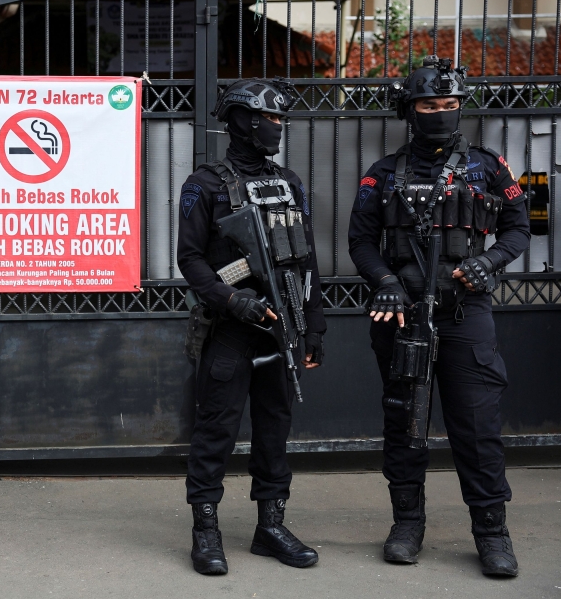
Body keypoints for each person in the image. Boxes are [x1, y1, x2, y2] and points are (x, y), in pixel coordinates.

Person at [347, 56, 530, 577]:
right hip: (402, 315)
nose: (442, 113)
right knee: (405, 422)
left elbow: (517, 229)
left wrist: (488, 260)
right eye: (430, 105)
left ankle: (492, 533)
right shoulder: (382, 174)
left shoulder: (490, 167)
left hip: (465, 310)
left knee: (477, 425)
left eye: (450, 105)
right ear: (410, 110)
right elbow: (361, 242)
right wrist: (384, 283)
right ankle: (407, 524)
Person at [177, 78, 326, 576]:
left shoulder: (288, 181)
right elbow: (191, 259)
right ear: (242, 120)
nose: (276, 127)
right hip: (232, 329)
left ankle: (270, 528)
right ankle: (205, 532)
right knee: (215, 431)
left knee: (273, 432)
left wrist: (316, 328)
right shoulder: (205, 184)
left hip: (283, 326)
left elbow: (306, 260)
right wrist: (231, 299)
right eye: (270, 118)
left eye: (281, 120)